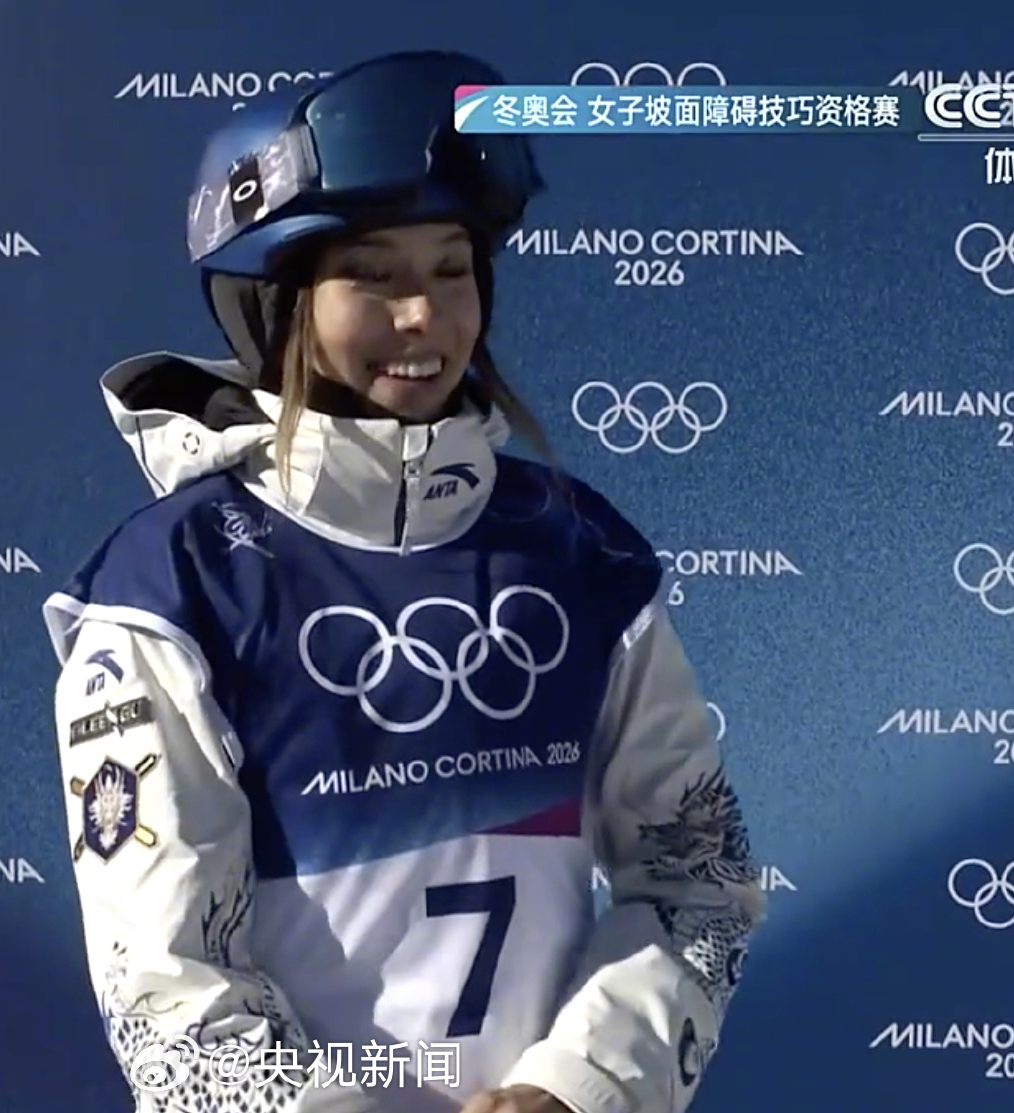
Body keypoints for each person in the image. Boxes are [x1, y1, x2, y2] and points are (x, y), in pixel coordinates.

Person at [42, 49, 765, 1113]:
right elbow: (163, 991)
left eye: (450, 269)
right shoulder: (173, 589)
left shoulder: (579, 552)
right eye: (372, 277)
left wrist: (580, 1086)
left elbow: (696, 880)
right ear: (273, 304)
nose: (422, 316)